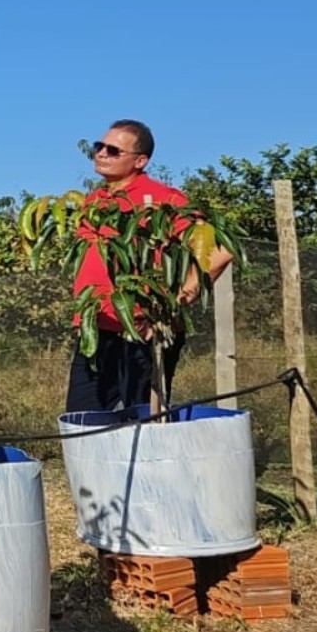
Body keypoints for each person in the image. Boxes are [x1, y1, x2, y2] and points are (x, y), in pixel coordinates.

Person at [65, 119, 234, 412]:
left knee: (144, 423)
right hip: (97, 332)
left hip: (144, 332)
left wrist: (174, 306)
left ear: (140, 161)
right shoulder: (94, 202)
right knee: (81, 423)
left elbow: (218, 251)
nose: (102, 153)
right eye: (99, 146)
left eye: (114, 150)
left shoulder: (162, 200)